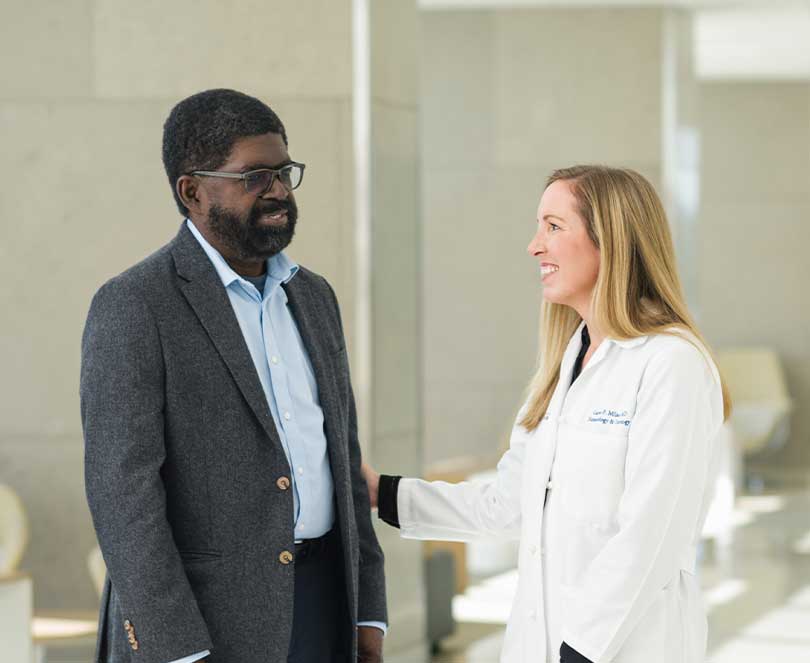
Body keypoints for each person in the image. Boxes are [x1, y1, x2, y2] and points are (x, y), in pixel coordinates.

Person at [363, 165, 731, 663]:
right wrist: (383, 492)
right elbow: (510, 505)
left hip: (620, 649)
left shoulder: (671, 363)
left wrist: (578, 652)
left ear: (612, 241)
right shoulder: (565, 365)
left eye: (554, 227)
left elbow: (651, 536)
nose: (534, 246)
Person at [81, 89, 387, 663]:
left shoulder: (314, 296)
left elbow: (343, 459)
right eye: (254, 176)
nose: (278, 190)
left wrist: (367, 608)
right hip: (202, 627)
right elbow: (122, 497)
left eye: (284, 171)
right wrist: (177, 649)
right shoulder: (134, 305)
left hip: (325, 606)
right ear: (192, 191)